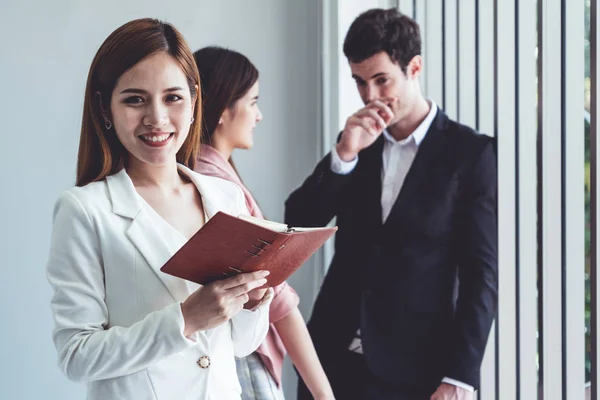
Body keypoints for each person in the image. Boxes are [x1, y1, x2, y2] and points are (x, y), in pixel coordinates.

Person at [46, 18, 274, 400]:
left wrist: (252, 304)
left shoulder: (226, 198)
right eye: (135, 99)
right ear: (105, 107)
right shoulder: (85, 211)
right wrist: (184, 320)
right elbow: (76, 356)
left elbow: (238, 346)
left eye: (173, 97)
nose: (157, 118)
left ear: (194, 100)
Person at [285, 8, 498, 400]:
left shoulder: (470, 154)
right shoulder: (355, 142)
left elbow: (480, 274)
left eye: (382, 81)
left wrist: (460, 376)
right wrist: (343, 156)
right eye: (360, 83)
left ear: (414, 67)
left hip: (416, 370)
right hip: (331, 363)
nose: (370, 96)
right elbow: (297, 222)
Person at [192, 46, 334, 400]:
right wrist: (323, 393)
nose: (259, 115)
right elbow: (277, 299)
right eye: (253, 102)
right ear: (224, 110)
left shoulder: (201, 176)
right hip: (242, 361)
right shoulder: (216, 186)